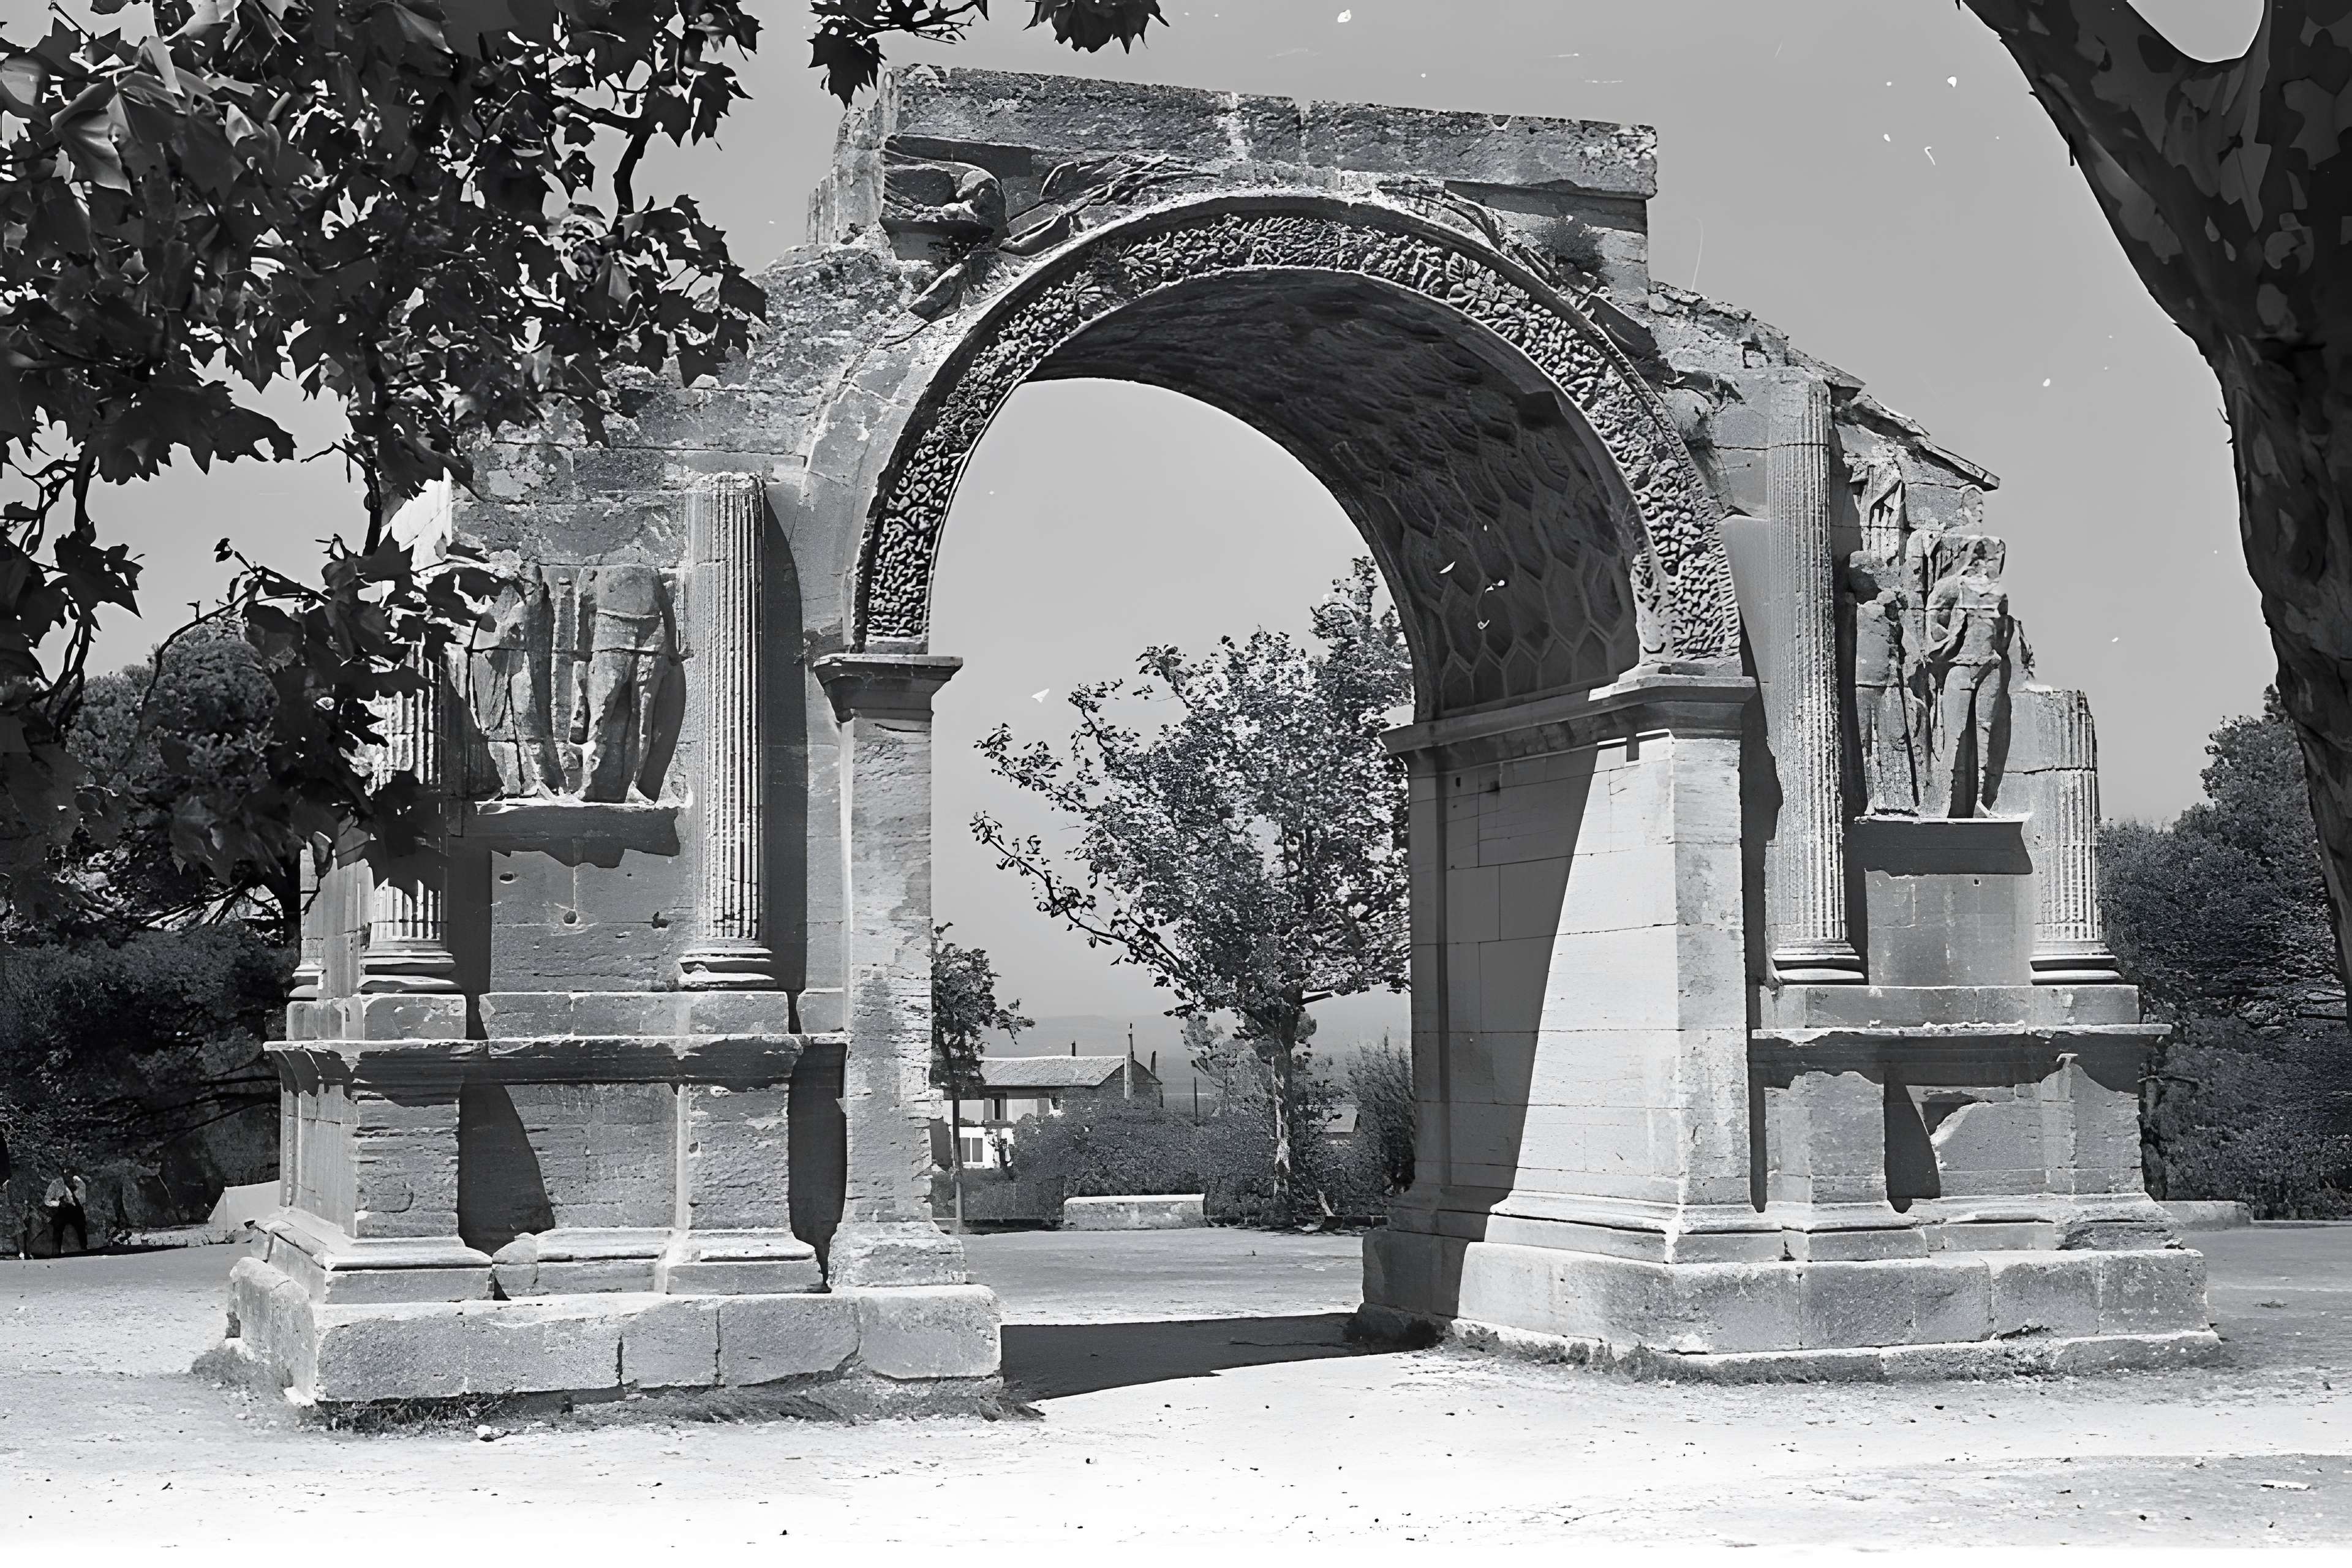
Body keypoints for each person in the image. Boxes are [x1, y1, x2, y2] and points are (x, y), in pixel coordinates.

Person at [41, 1168, 88, 1257]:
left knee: (81, 1228)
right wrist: (56, 1203)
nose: (68, 1174)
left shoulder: (77, 1181)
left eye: (70, 1172)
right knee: (58, 1230)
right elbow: (47, 1200)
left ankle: (85, 1250)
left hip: (76, 1210)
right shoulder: (56, 1183)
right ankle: (55, 1253)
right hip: (63, 1210)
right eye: (66, 1172)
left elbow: (83, 1194)